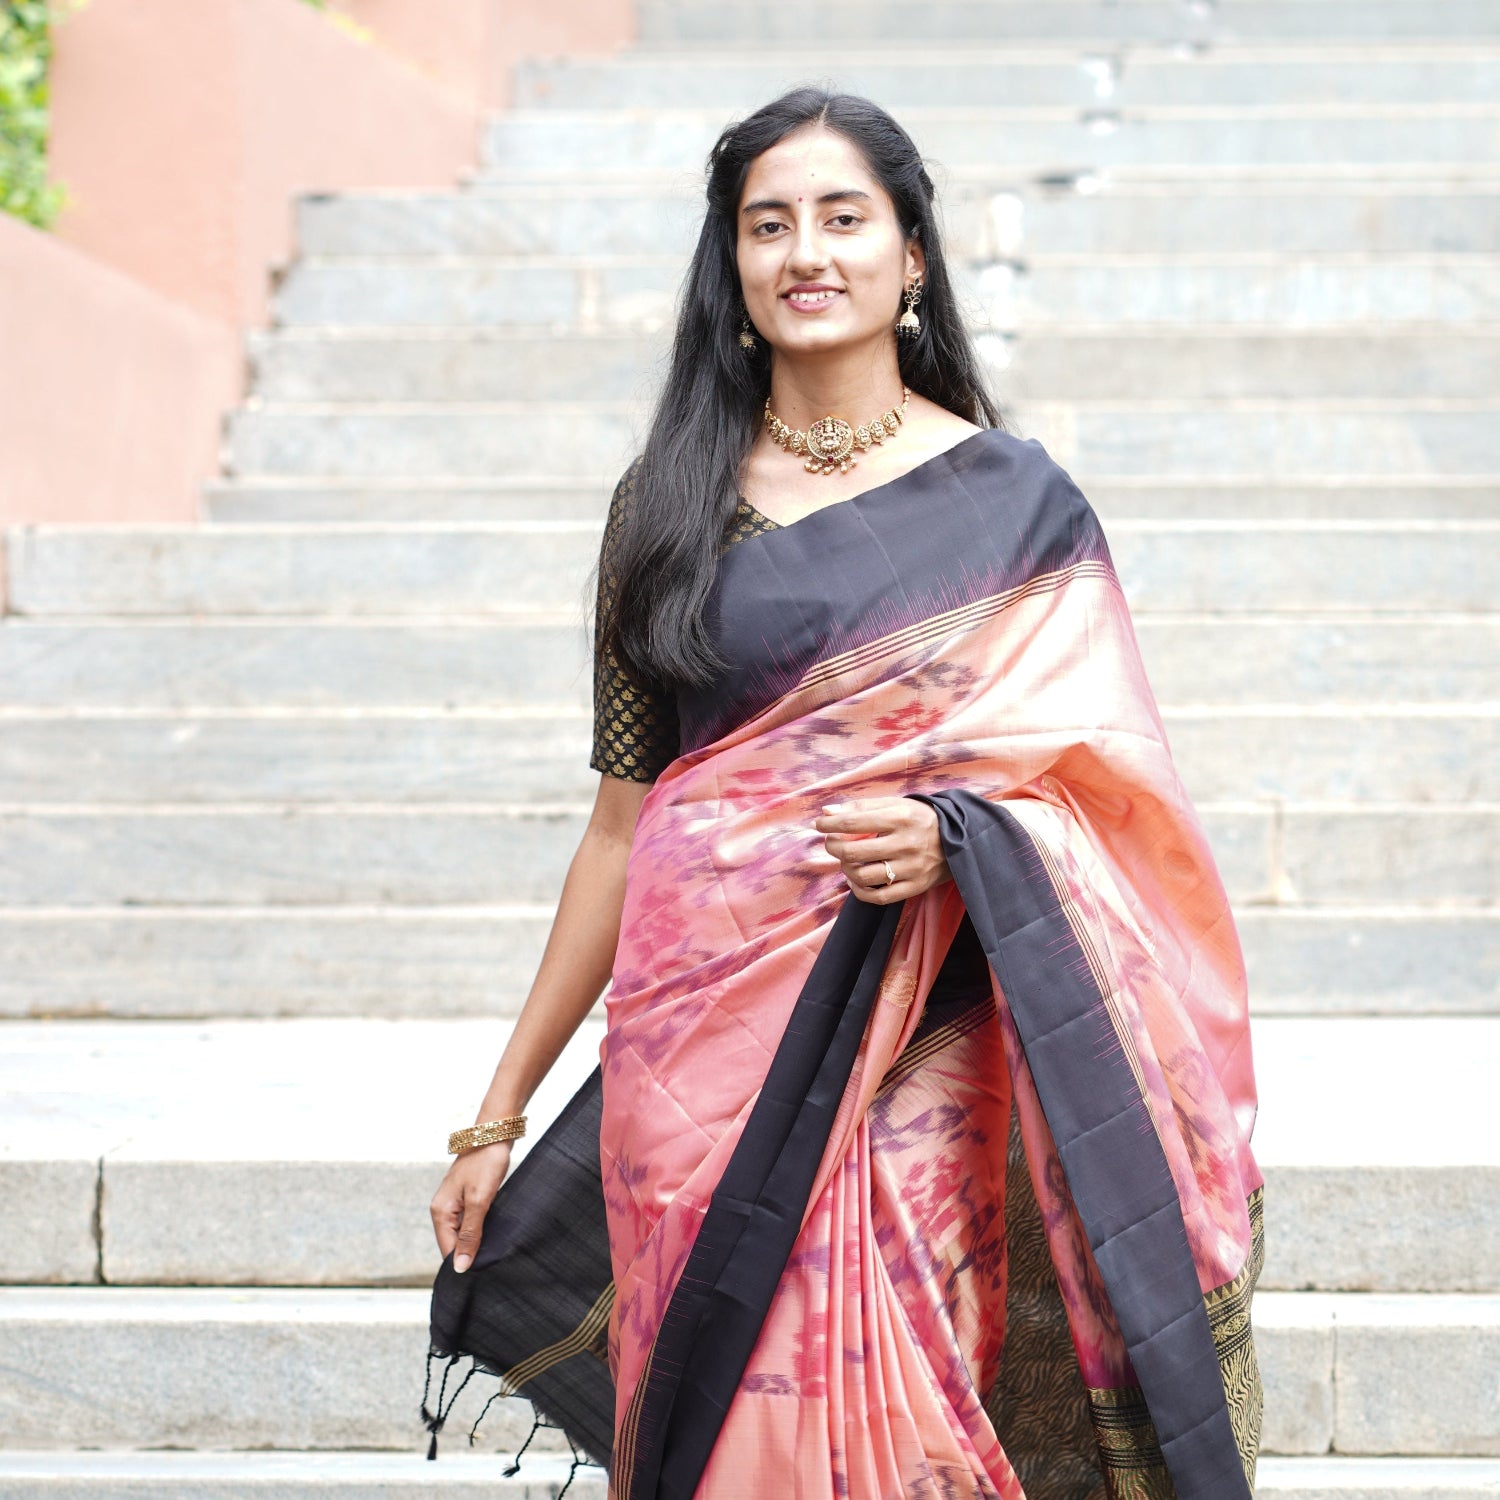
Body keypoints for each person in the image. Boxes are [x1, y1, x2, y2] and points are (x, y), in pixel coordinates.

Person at [425, 88, 1264, 1500]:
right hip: (693, 1060)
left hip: (919, 1042)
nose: (804, 251)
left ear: (911, 257)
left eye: (841, 217)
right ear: (733, 268)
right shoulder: (670, 507)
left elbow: (1122, 814)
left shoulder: (1015, 506)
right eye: (768, 225)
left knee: (898, 1393)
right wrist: (498, 1111)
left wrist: (960, 844)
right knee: (721, 1419)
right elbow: (624, 824)